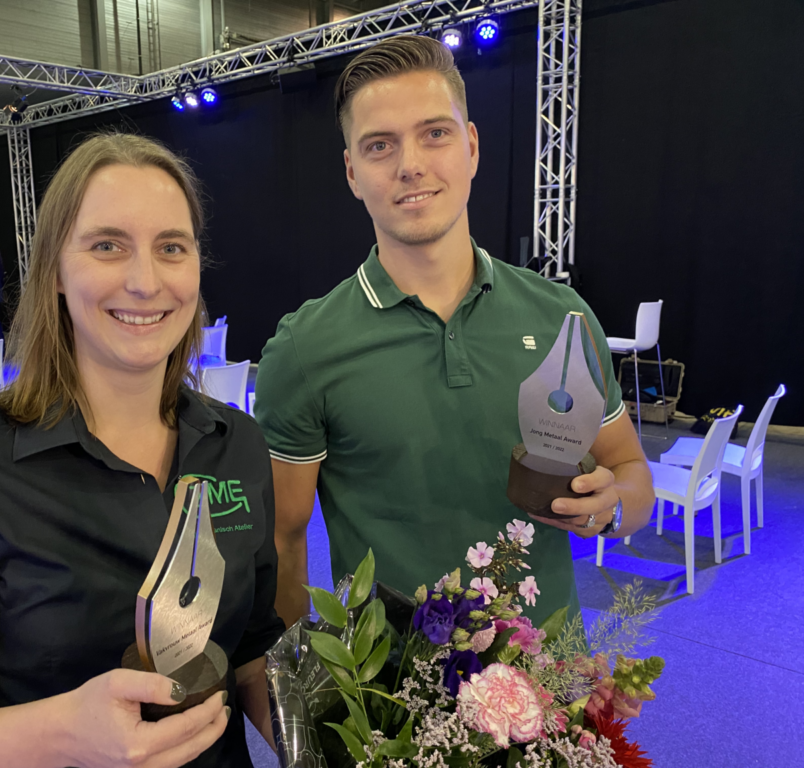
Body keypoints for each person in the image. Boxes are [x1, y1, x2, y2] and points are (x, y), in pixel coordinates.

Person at [0, 133, 285, 768]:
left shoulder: (236, 444)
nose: (144, 280)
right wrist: (63, 734)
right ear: (53, 269)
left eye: (171, 248)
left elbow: (249, 644)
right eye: (107, 246)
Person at [254, 36, 655, 629]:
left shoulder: (562, 317)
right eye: (380, 145)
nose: (410, 163)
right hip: (389, 708)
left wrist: (613, 505)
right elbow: (283, 545)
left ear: (470, 146)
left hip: (552, 699)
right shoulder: (305, 349)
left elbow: (632, 472)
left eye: (435, 133)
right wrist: (305, 705)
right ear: (352, 173)